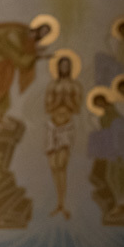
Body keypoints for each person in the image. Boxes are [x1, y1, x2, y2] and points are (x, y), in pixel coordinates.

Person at [44, 50, 82, 218]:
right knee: (53, 166)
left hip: (66, 126)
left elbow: (78, 108)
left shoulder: (75, 86)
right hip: (52, 126)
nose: (64, 68)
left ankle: (62, 203)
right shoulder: (52, 85)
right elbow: (47, 107)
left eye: (67, 65)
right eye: (62, 65)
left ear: (71, 67)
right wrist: (57, 102)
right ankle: (58, 203)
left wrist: (66, 101)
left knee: (62, 165)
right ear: (58, 68)